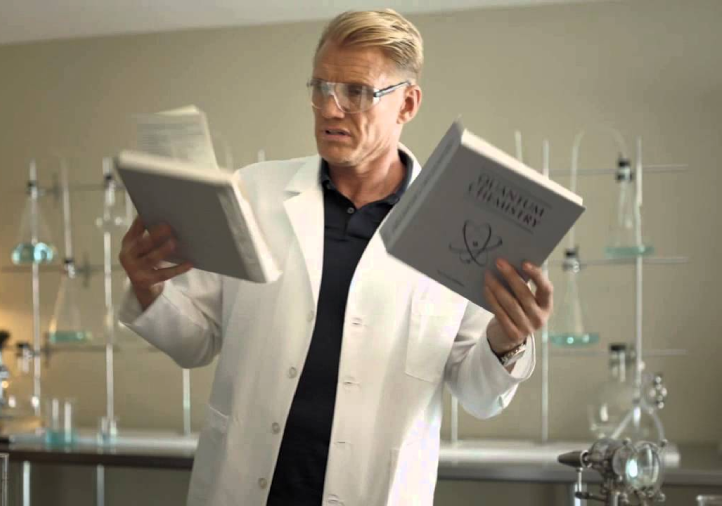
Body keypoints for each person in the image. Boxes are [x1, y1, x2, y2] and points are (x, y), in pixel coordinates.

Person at [118, 9, 552, 506]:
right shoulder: (254, 193)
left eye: (357, 92)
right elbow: (195, 343)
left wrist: (508, 339)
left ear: (407, 104)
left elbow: (478, 394)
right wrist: (148, 286)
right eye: (321, 87)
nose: (330, 108)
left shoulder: (457, 227)